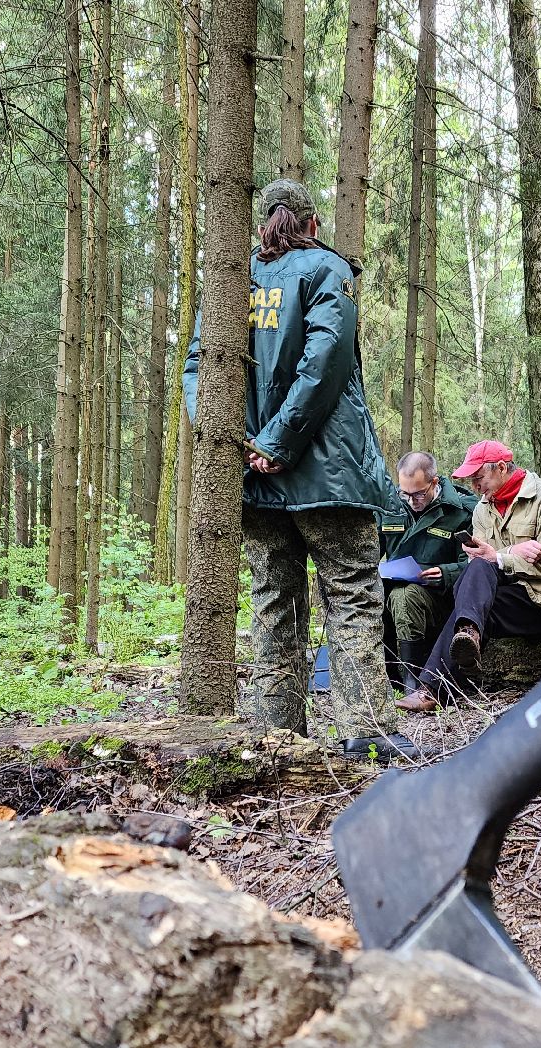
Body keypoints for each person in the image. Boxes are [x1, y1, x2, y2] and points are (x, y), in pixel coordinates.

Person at [183, 179, 412, 758]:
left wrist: (241, 442)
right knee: (354, 595)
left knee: (273, 600)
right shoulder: (328, 270)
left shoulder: (231, 284)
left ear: (263, 226)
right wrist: (277, 442)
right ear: (311, 223)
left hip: (256, 478)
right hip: (327, 474)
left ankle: (274, 735)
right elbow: (325, 363)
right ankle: (366, 734)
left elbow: (197, 372)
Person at [402, 440, 541, 712]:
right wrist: (507, 554)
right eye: (470, 480)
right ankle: (466, 638)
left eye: (478, 478)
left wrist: (500, 555)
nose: (474, 487)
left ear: (500, 468)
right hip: (500, 599)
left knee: (474, 592)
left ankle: (433, 685)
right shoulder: (482, 509)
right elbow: (480, 565)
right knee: (475, 580)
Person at [377, 451, 478, 697]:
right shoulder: (389, 507)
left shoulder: (461, 512)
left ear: (434, 482)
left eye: (419, 493)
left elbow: (476, 565)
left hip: (440, 601)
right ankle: (385, 679)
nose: (412, 501)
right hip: (392, 594)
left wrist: (445, 573)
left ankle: (413, 680)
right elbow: (367, 556)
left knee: (406, 596)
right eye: (406, 494)